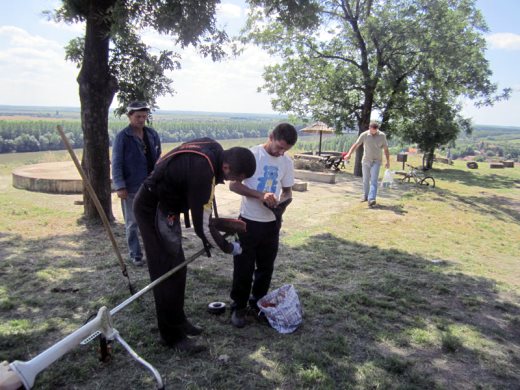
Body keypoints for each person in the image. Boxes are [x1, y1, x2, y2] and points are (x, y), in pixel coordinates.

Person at [133, 138, 256, 352]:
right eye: (237, 178)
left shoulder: (215, 151)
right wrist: (229, 248)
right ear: (226, 167)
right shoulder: (204, 170)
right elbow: (203, 229)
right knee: (166, 272)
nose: (234, 182)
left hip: (166, 208)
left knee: (178, 267)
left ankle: (178, 320)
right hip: (151, 209)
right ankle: (170, 336)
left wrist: (221, 225)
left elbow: (202, 211)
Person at [228, 123, 298, 328]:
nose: (281, 152)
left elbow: (287, 191)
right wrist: (261, 195)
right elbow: (233, 185)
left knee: (266, 268)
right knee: (244, 267)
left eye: (285, 149)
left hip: (271, 223)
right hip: (248, 222)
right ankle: (238, 307)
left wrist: (282, 205)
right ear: (270, 136)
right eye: (279, 147)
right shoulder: (252, 156)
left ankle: (258, 304)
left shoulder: (286, 162)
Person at [112, 101, 161, 266]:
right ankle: (136, 255)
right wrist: (120, 186)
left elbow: (158, 158)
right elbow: (117, 163)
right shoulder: (123, 137)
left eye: (144, 116)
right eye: (138, 116)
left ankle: (154, 252)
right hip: (131, 187)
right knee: (132, 223)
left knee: (153, 221)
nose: (141, 119)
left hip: (151, 186)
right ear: (129, 116)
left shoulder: (152, 134)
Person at [344, 121, 390, 207]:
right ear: (369, 128)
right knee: (365, 180)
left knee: (374, 180)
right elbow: (356, 144)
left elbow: (386, 149)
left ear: (377, 129)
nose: (373, 133)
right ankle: (365, 196)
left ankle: (371, 199)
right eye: (372, 131)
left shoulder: (382, 136)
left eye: (375, 131)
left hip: (377, 161)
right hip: (366, 160)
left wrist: (388, 161)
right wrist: (349, 154)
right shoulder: (364, 135)